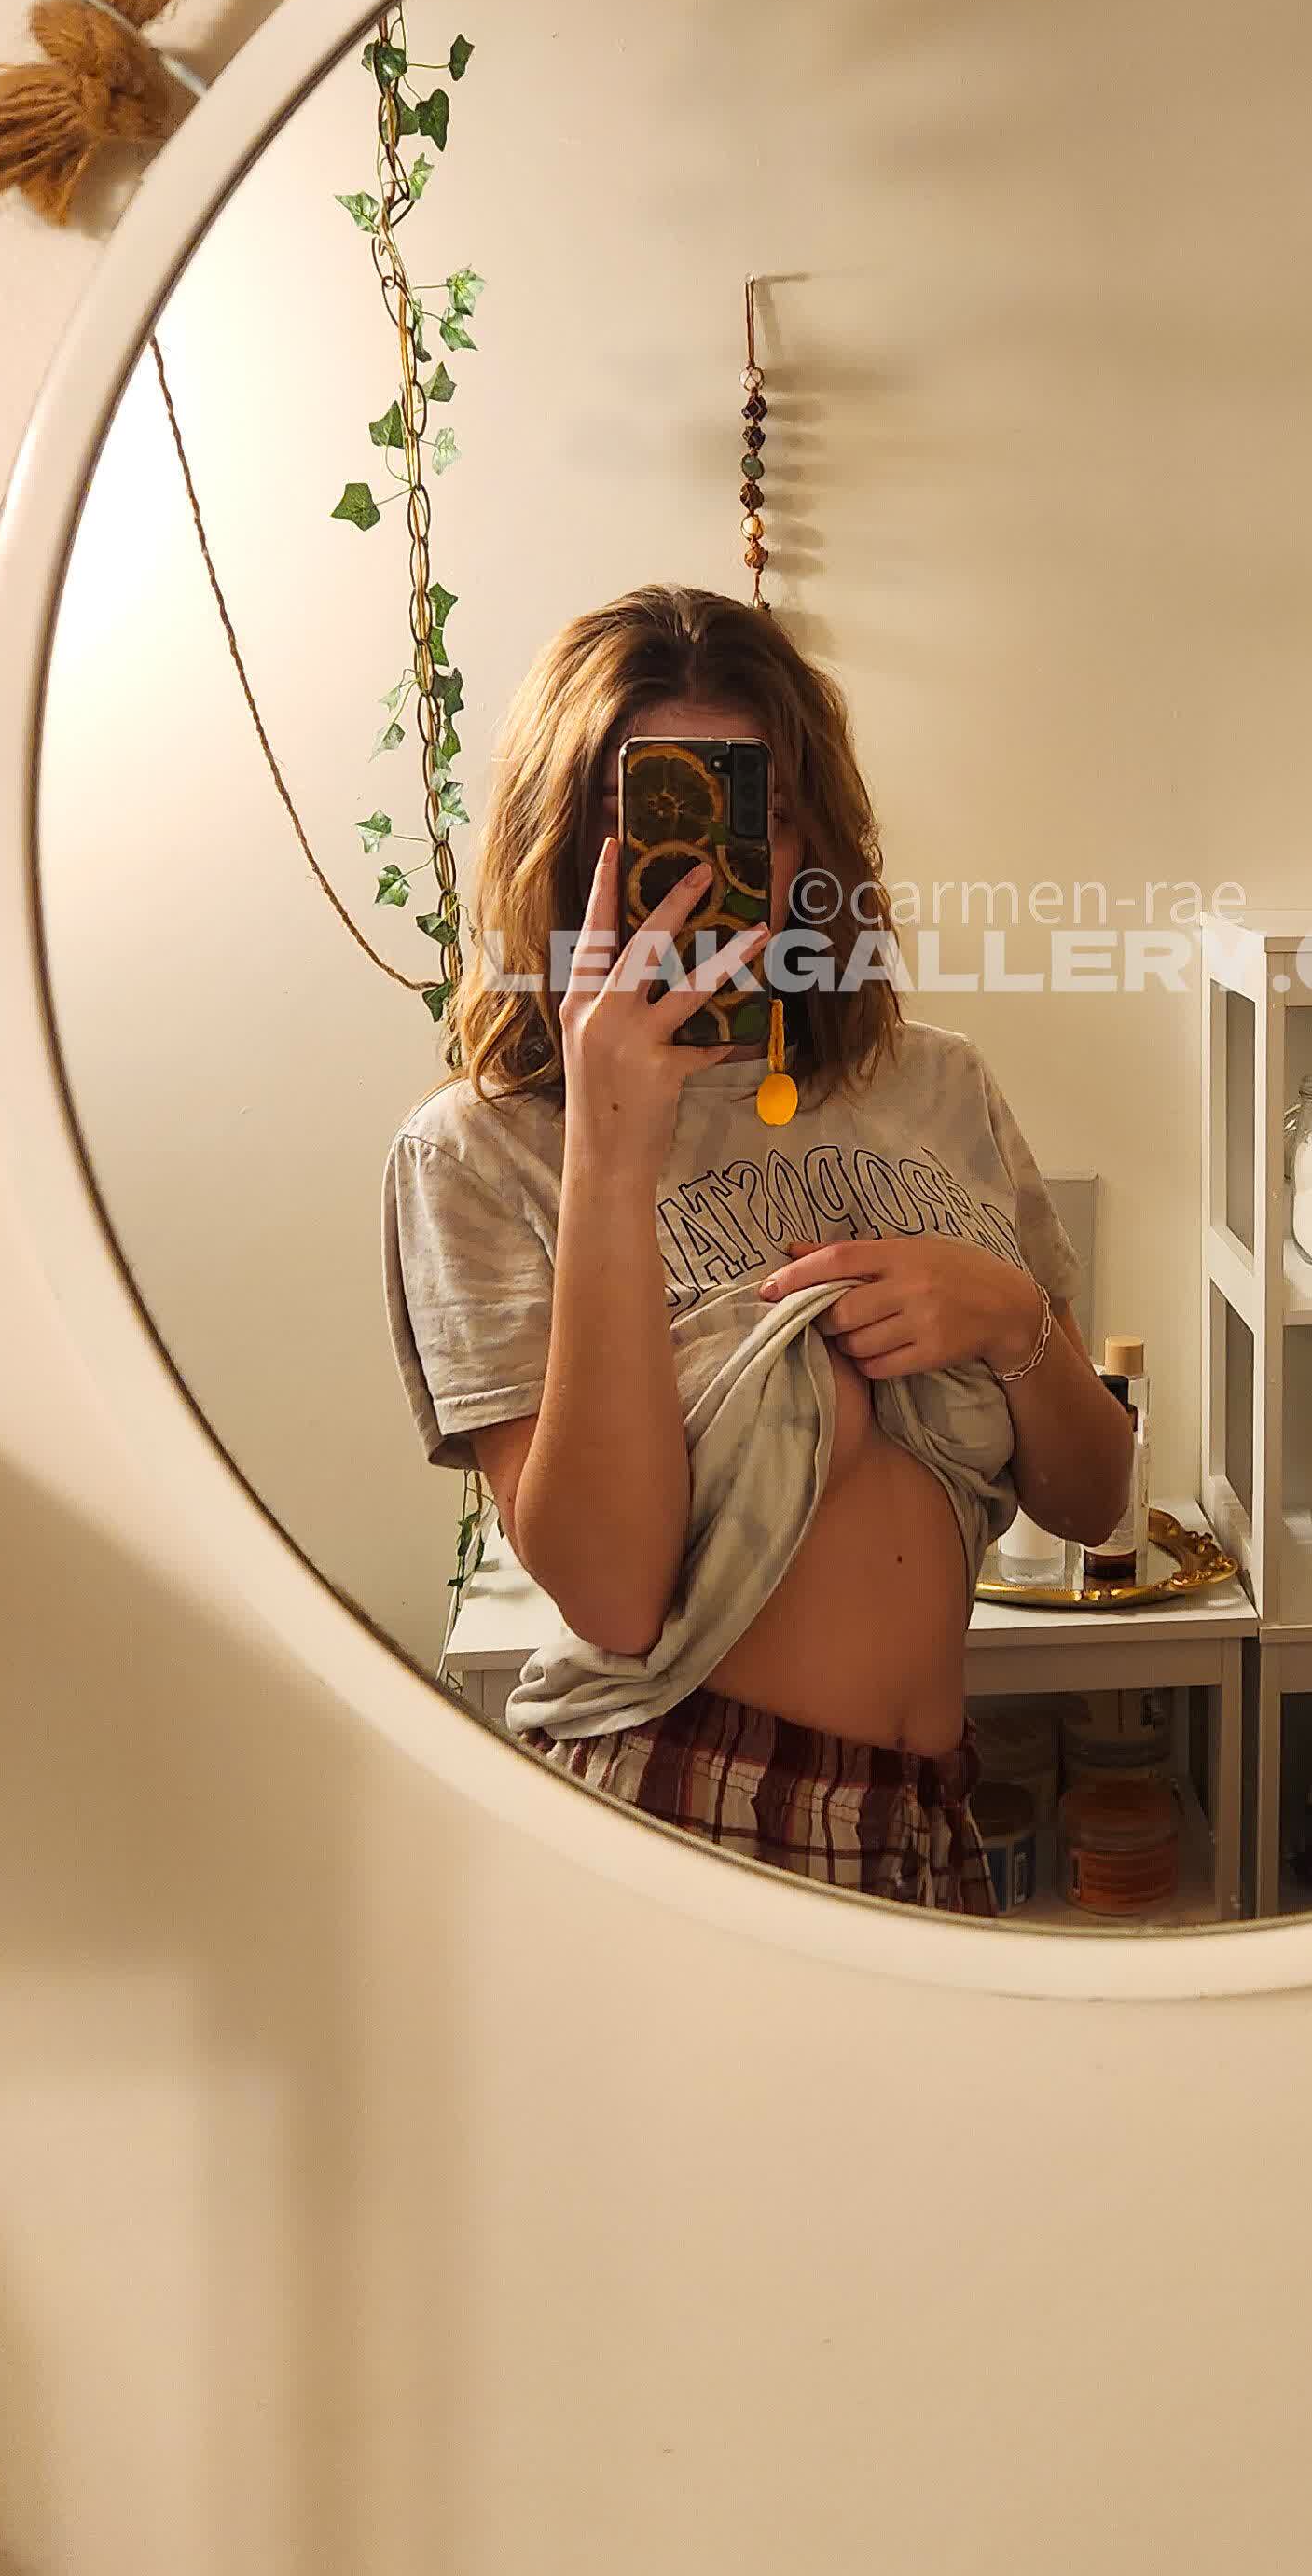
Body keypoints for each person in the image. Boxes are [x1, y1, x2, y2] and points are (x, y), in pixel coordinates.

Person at [382, 582, 1134, 1912]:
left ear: (816, 843)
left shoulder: (938, 1087)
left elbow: (1093, 1501)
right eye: (654, 812)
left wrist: (1010, 1318)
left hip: (928, 1826)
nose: (711, 866)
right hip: (672, 1814)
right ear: (569, 843)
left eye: (762, 811)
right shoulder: (479, 1151)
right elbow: (613, 1598)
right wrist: (612, 1147)